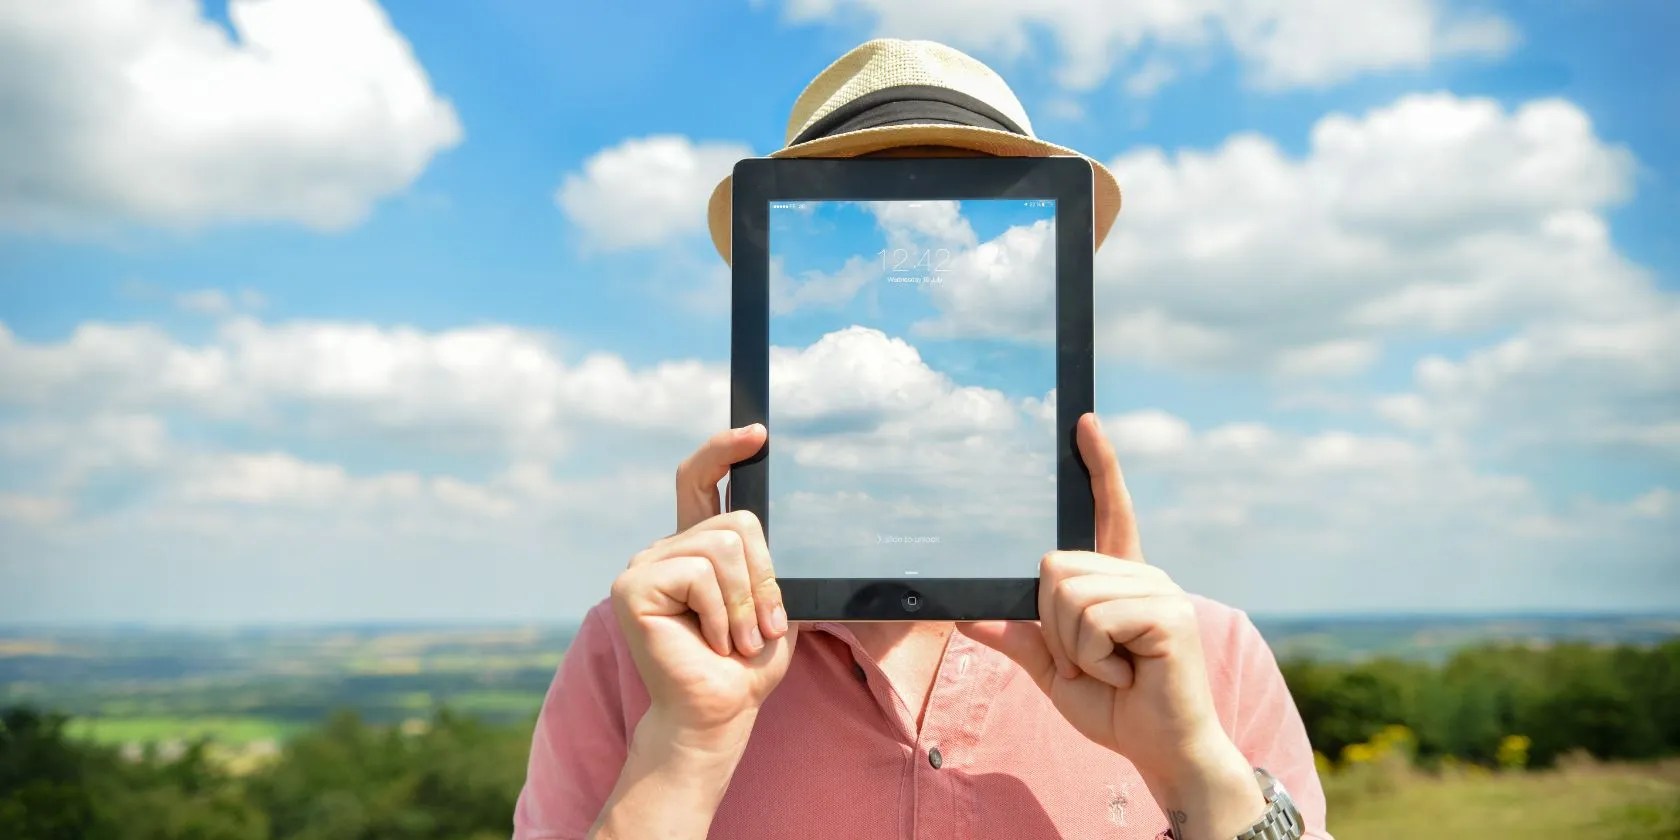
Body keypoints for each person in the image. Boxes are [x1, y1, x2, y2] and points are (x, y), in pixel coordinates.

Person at [513, 39, 1333, 840]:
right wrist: (684, 749)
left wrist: (1193, 765)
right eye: (846, 228)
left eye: (985, 223)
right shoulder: (632, 662)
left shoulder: (1210, 661)